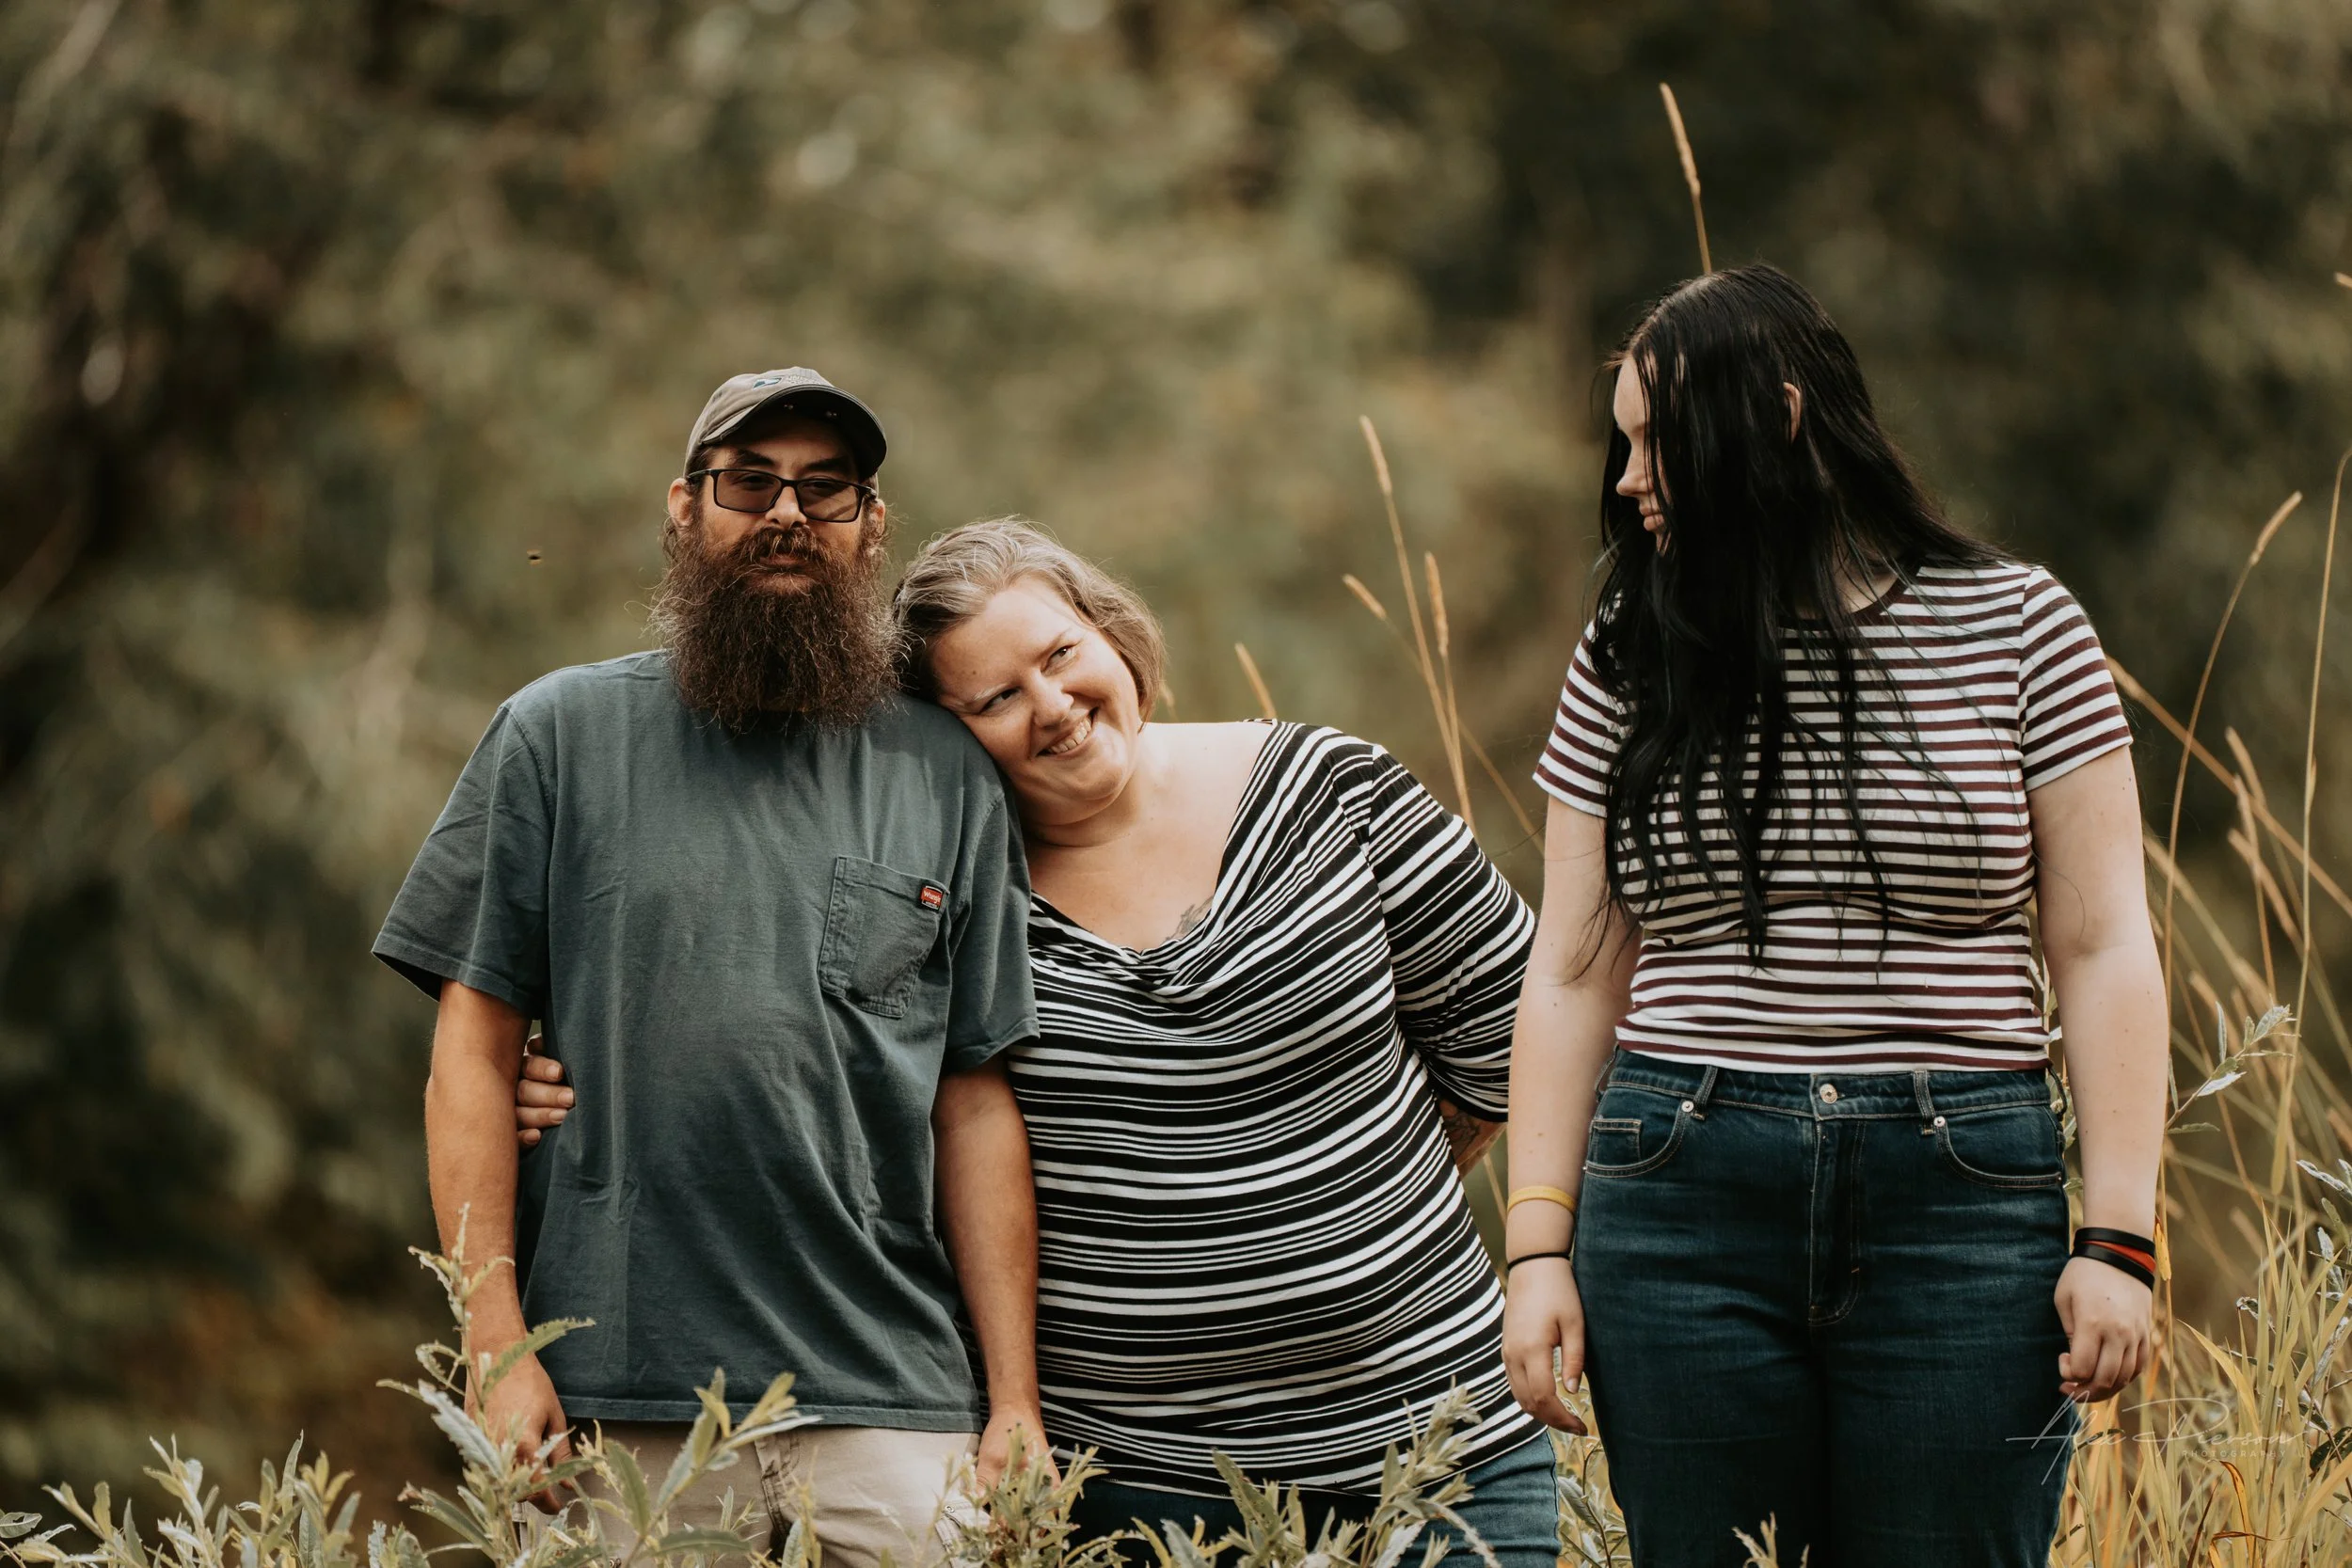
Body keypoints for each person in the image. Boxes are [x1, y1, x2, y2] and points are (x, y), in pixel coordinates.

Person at [520, 519, 1561, 1566]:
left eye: (1060, 656)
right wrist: (560, 1083)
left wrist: (1343, 1202)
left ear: (1110, 633)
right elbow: (779, 1058)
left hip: (1441, 1439)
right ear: (947, 734)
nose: (1053, 707)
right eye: (996, 699)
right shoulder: (948, 892)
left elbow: (1519, 1041)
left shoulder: (1331, 787)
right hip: (1144, 1491)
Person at [1500, 265, 2166, 1567]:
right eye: (1623, 441)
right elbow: (1573, 971)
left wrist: (2121, 1235)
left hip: (1962, 1196)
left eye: (1658, 441)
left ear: (1784, 419)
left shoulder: (2018, 625)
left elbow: (2102, 945)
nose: (1630, 478)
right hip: (1679, 1184)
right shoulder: (1634, 642)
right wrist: (1537, 1247)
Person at [373, 370, 1045, 1568]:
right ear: (684, 509)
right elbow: (470, 1059)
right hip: (618, 1397)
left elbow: (974, 1097)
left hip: (893, 1395)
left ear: (870, 526)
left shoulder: (945, 771)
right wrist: (500, 1350)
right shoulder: (557, 736)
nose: (787, 512)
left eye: (825, 489)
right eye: (750, 482)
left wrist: (1013, 1401)